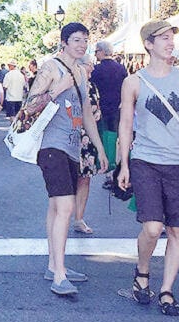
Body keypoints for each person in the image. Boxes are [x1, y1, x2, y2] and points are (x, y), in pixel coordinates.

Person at [116, 20, 179, 316]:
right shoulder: (133, 82)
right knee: (153, 227)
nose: (170, 43)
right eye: (164, 38)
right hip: (146, 160)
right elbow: (126, 124)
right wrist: (124, 164)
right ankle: (142, 270)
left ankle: (167, 290)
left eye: (172, 38)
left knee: (177, 230)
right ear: (149, 44)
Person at [26, 22, 107, 296]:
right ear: (64, 42)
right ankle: (59, 274)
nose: (82, 44)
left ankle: (54, 264)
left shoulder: (81, 72)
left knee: (56, 208)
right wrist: (57, 89)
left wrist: (100, 149)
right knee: (66, 207)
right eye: (76, 39)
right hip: (52, 146)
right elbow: (29, 106)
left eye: (85, 39)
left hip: (73, 148)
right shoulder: (51, 67)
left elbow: (86, 115)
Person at [74, 54, 101, 235]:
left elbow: (97, 109)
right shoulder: (71, 85)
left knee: (85, 179)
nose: (92, 68)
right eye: (90, 65)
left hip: (88, 138)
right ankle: (66, 215)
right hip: (72, 137)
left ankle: (78, 217)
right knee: (70, 180)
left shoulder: (92, 86)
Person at [91, 40, 127, 172]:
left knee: (103, 133)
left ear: (101, 51)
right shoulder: (121, 68)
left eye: (96, 51)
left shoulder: (96, 70)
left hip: (102, 107)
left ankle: (105, 161)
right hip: (118, 106)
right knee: (115, 132)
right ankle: (114, 161)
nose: (95, 55)